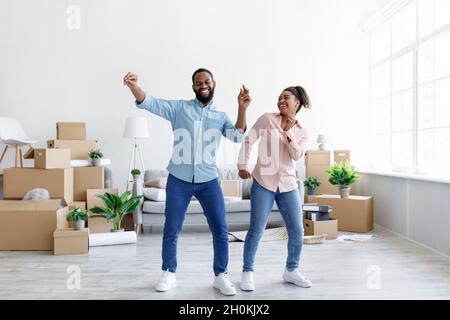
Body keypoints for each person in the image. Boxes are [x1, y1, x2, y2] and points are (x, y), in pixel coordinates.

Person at [123, 68, 251, 296]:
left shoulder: (220, 116)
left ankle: (221, 275)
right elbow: (151, 102)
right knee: (171, 228)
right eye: (199, 82)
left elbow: (237, 136)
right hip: (179, 179)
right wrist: (134, 87)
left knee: (220, 230)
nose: (203, 85)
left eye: (207, 82)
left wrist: (242, 109)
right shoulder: (179, 109)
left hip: (209, 180)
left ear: (214, 84)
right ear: (193, 87)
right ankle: (169, 272)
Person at [237, 86, 312, 291]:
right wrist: (242, 164)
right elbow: (248, 140)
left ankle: (291, 270)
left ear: (297, 103)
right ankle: (247, 271)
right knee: (256, 229)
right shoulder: (267, 119)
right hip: (263, 182)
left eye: (286, 98)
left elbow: (296, 156)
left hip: (288, 184)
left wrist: (288, 133)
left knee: (297, 230)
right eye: (279, 97)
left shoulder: (302, 132)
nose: (281, 100)